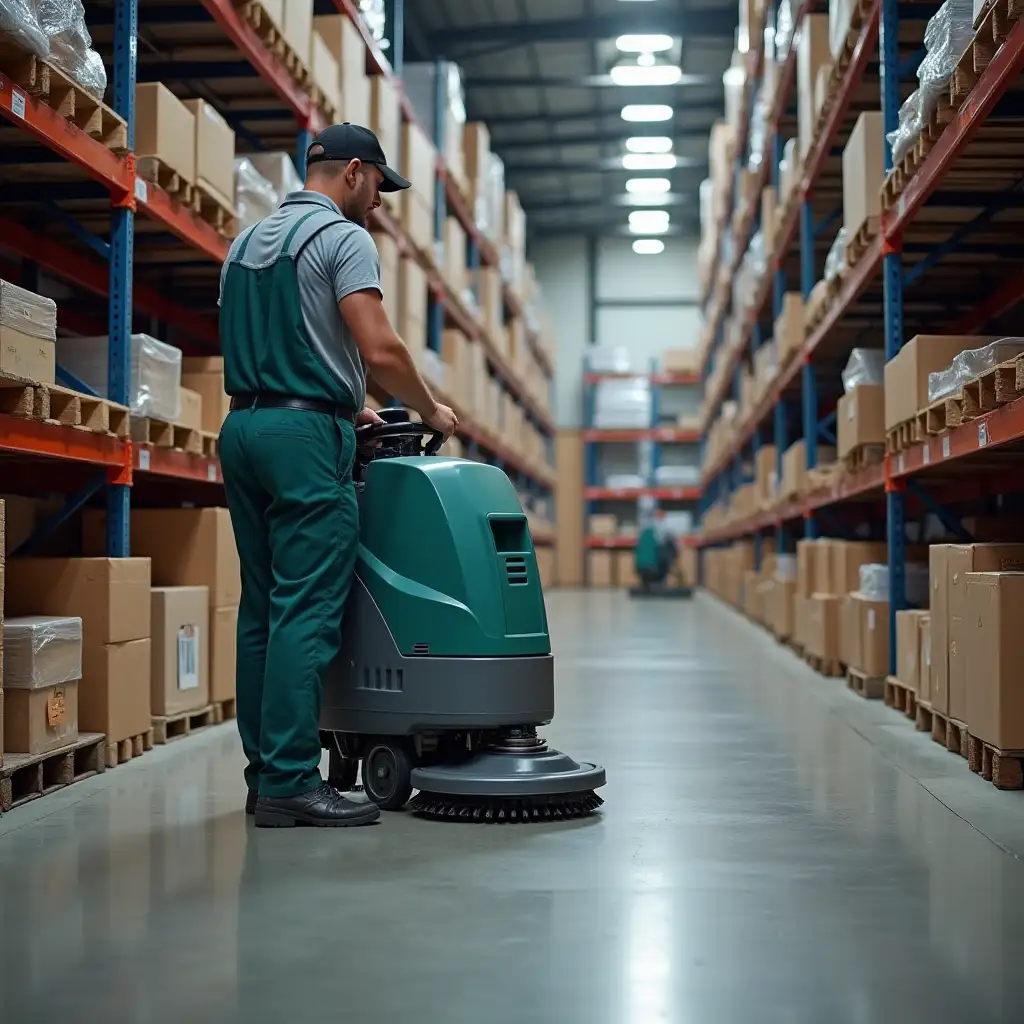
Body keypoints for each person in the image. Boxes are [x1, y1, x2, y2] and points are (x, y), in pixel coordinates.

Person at [217, 124, 458, 828]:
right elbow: (378, 346)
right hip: (302, 440)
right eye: (379, 186)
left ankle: (265, 777)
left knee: (261, 608)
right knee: (306, 609)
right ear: (353, 171)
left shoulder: (244, 245)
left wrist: (336, 403)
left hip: (244, 428)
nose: (379, 203)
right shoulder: (343, 239)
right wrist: (429, 408)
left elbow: (268, 339)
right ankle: (295, 780)